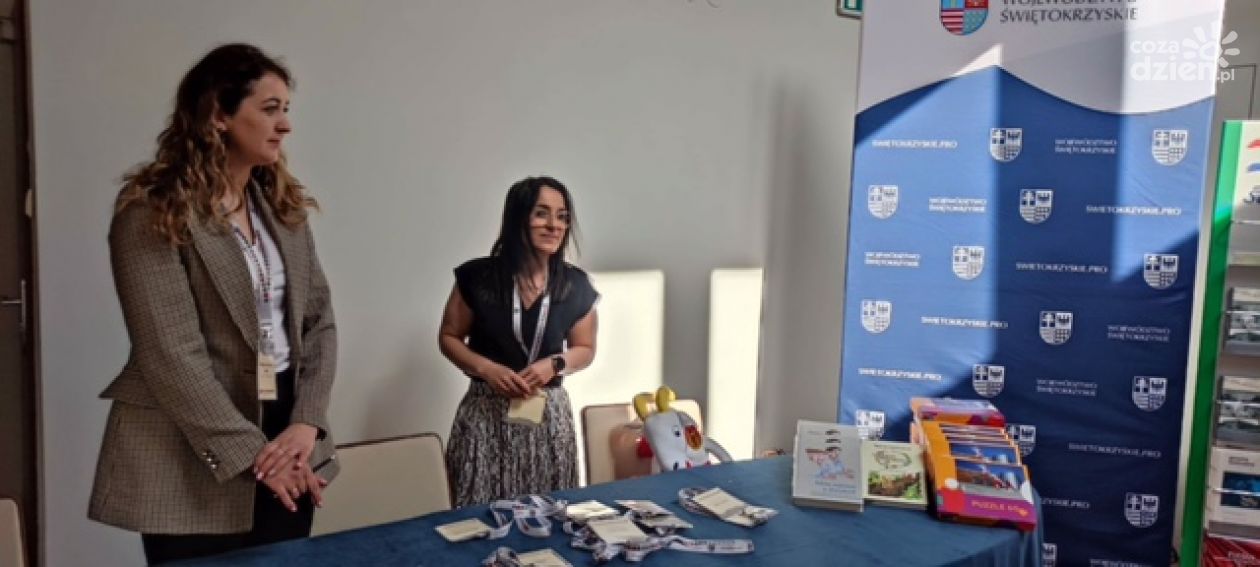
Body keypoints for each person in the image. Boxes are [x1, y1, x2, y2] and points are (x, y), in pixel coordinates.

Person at [87, 43, 339, 564]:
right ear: (219, 115)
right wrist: (256, 456)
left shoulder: (283, 207)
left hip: (288, 431)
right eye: (270, 109)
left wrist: (306, 423)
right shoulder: (152, 210)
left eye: (286, 109)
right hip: (190, 444)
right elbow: (169, 354)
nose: (285, 125)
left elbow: (319, 324)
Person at [439, 176, 599, 507]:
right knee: (477, 515)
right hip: (485, 416)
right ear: (517, 218)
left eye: (562, 216)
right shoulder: (477, 277)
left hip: (548, 418)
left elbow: (585, 349)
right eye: (542, 213)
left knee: (550, 516)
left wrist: (555, 364)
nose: (554, 225)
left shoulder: (575, 285)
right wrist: (486, 369)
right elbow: (449, 337)